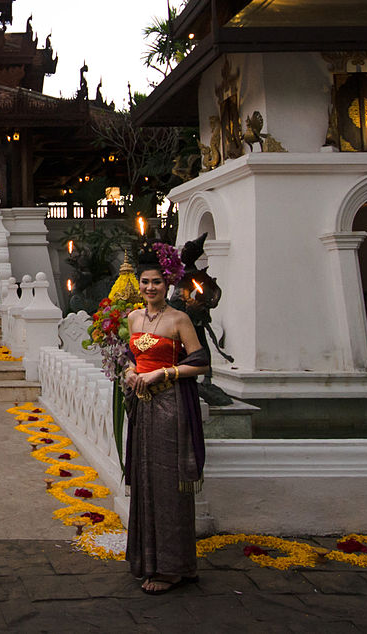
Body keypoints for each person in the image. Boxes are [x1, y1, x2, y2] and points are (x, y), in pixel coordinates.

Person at [122, 245, 209, 595]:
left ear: (167, 283)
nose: (150, 288)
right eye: (145, 282)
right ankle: (147, 560)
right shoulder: (133, 318)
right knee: (145, 479)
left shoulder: (179, 319)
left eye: (156, 282)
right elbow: (132, 355)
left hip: (171, 406)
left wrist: (164, 374)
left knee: (169, 484)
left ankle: (173, 567)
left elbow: (201, 363)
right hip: (142, 407)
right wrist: (129, 371)